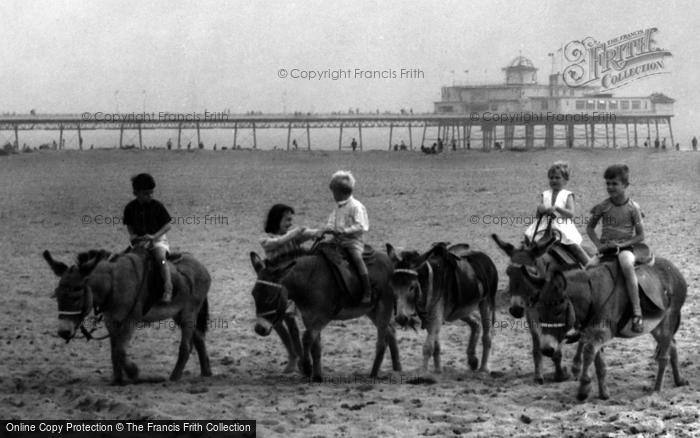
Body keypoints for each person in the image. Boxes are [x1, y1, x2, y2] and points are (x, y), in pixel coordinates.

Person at [586, 164, 645, 333]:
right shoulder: (602, 206)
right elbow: (590, 228)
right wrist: (599, 245)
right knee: (588, 268)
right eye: (608, 183)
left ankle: (637, 312)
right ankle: (584, 316)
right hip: (606, 249)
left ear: (625, 185)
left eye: (614, 184)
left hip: (625, 248)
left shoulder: (633, 207)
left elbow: (641, 236)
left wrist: (622, 245)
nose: (610, 187)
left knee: (626, 265)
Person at [524, 161, 589, 265]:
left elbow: (571, 214)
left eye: (557, 178)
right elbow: (537, 216)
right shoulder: (545, 194)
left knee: (573, 246)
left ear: (565, 180)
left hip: (561, 227)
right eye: (551, 177)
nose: (554, 180)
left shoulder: (567, 195)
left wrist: (557, 208)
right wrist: (540, 210)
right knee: (528, 241)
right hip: (544, 227)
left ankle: (588, 265)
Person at [122, 173, 174, 303]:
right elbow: (129, 225)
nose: (150, 196)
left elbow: (168, 226)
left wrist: (154, 236)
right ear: (136, 193)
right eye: (146, 193)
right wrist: (132, 235)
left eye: (151, 193)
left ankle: (168, 288)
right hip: (140, 242)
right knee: (124, 260)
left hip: (158, 241)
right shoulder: (130, 208)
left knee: (161, 260)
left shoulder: (157, 206)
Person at [323, 171, 372, 304]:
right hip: (338, 240)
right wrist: (328, 228)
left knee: (356, 258)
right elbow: (332, 220)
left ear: (341, 192)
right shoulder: (338, 207)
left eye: (334, 193)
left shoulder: (356, 207)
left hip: (352, 241)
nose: (333, 196)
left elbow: (361, 226)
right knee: (321, 249)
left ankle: (367, 290)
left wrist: (345, 231)